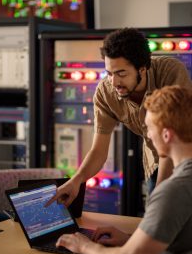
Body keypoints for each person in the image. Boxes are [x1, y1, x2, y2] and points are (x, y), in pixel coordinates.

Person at [46, 28, 192, 208]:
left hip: (184, 159)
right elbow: (99, 151)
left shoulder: (169, 72)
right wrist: (76, 181)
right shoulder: (105, 92)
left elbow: (170, 140)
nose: (114, 82)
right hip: (155, 162)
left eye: (121, 73)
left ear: (142, 69)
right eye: (109, 73)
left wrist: (159, 200)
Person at [56, 85, 192, 254]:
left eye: (150, 128)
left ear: (166, 135)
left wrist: (84, 246)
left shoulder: (174, 190)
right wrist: (131, 239)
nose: (148, 136)